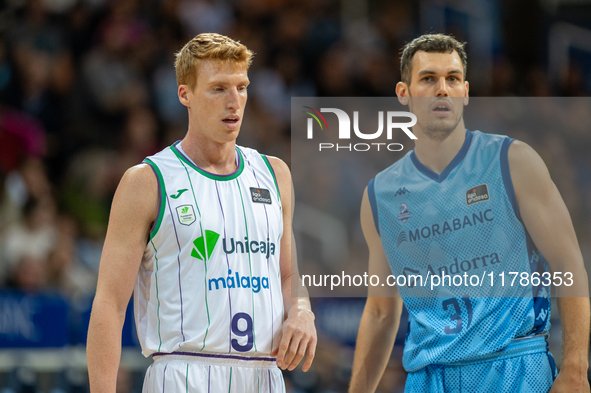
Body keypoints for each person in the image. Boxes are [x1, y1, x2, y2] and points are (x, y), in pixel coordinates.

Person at [349, 34, 590, 392]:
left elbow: (569, 265)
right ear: (404, 94)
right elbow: (382, 312)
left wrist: (574, 369)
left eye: (452, 79)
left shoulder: (513, 161)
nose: (442, 89)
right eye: (428, 79)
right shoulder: (380, 194)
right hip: (428, 378)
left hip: (514, 367)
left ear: (465, 92)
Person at [87, 33, 317, 393]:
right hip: (183, 374)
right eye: (218, 89)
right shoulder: (147, 182)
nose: (234, 101)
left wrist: (302, 311)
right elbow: (110, 305)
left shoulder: (275, 174)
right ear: (185, 95)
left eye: (242, 87)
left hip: (264, 377)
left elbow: (289, 277)